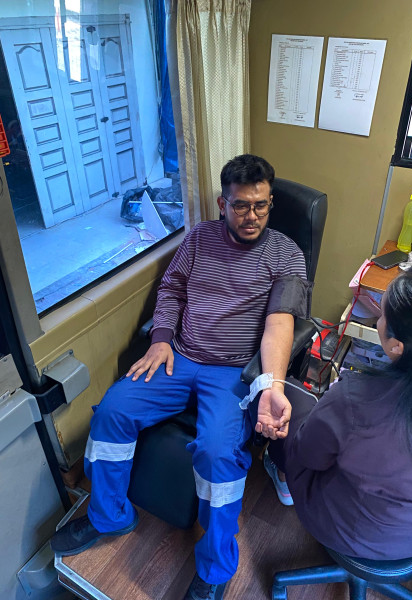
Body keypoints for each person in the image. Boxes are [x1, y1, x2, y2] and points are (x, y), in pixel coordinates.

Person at [51, 154, 311, 599]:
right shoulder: (199, 238)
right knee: (112, 412)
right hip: (179, 357)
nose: (252, 216)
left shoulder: (286, 254)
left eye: (261, 205)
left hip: (233, 373)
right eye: (241, 205)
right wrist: (161, 340)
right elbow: (172, 289)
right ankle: (109, 517)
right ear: (222, 204)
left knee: (217, 456)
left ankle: (215, 570)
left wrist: (270, 384)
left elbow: (280, 323)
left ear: (271, 203)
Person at [264, 262, 412, 559]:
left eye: (382, 315)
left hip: (352, 534)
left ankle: (284, 480)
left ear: (397, 346)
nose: (378, 320)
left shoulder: (356, 398)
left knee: (283, 396)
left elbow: (307, 455)